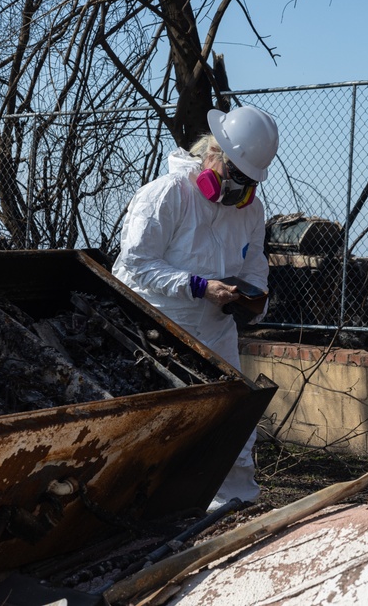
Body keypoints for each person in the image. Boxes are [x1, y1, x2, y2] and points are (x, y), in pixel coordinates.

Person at [112, 104, 278, 507]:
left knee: (233, 418)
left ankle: (234, 508)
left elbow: (255, 264)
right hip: (157, 327)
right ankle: (142, 508)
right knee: (159, 426)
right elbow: (135, 264)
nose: (239, 189)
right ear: (212, 155)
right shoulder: (166, 195)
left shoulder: (250, 210)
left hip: (216, 328)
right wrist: (199, 286)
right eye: (234, 176)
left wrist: (253, 297)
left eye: (247, 180)